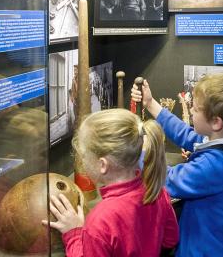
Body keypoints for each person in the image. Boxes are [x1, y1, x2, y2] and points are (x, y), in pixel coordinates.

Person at [131, 73, 223, 257]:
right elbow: (188, 135)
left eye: (195, 108)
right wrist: (151, 103)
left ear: (216, 122)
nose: (191, 111)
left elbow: (166, 179)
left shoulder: (213, 167)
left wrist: (137, 153)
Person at [42, 109, 179, 256]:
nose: (81, 160)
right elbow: (170, 240)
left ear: (102, 165)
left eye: (83, 155)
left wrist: (74, 235)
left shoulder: (100, 221)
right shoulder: (157, 190)